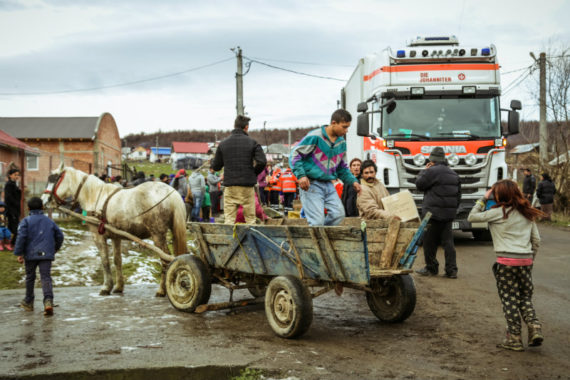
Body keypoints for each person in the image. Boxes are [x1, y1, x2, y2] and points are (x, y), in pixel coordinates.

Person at [467, 180, 544, 351]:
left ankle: (514, 339)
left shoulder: (497, 212)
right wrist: (530, 260)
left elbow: (471, 217)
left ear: (499, 195)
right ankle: (534, 327)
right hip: (526, 261)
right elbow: (536, 241)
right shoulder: (527, 213)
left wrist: (483, 199)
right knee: (524, 297)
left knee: (509, 299)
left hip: (506, 263)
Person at [289, 109, 360, 226]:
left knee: (339, 214)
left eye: (348, 127)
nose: (346, 130)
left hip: (328, 184)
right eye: (344, 127)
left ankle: (322, 235)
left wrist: (353, 181)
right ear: (333, 123)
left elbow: (342, 167)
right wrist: (301, 175)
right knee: (317, 222)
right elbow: (295, 154)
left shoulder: (341, 143)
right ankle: (318, 235)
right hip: (311, 184)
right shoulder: (315, 137)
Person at [212, 115, 267, 225]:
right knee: (250, 219)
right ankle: (250, 241)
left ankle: (230, 241)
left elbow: (216, 166)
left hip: (230, 186)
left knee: (229, 220)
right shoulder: (253, 142)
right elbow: (262, 162)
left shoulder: (223, 144)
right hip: (247, 186)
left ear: (234, 126)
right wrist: (253, 173)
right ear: (246, 127)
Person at [415, 147, 461, 278]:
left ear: (432, 159)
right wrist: (452, 210)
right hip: (448, 214)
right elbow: (458, 196)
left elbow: (419, 185)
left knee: (429, 242)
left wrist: (424, 171)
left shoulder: (431, 171)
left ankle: (431, 268)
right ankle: (452, 270)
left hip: (432, 214)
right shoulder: (453, 174)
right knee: (448, 242)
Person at [14, 197, 64, 316]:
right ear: (42, 207)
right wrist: (55, 248)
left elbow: (21, 238)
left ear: (28, 208)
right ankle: (48, 301)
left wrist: (19, 253)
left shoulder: (26, 221)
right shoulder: (49, 221)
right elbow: (60, 236)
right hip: (46, 255)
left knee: (30, 277)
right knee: (45, 277)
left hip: (30, 255)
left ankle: (28, 301)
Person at [4, 168, 22, 248]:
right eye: (15, 175)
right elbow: (8, 197)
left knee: (13, 227)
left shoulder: (14, 184)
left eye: (18, 175)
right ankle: (11, 243)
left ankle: (10, 243)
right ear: (10, 175)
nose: (17, 176)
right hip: (12, 210)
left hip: (16, 209)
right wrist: (17, 203)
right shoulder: (9, 184)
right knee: (15, 228)